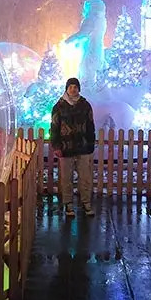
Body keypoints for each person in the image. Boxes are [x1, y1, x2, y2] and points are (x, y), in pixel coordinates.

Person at [51, 77, 96, 217]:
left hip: (83, 146)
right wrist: (56, 145)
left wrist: (90, 143)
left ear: (78, 88)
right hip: (66, 147)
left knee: (85, 176)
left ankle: (86, 203)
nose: (73, 89)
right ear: (66, 89)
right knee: (66, 177)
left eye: (75, 86)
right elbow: (54, 127)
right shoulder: (59, 106)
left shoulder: (85, 105)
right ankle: (68, 204)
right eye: (70, 86)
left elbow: (90, 125)